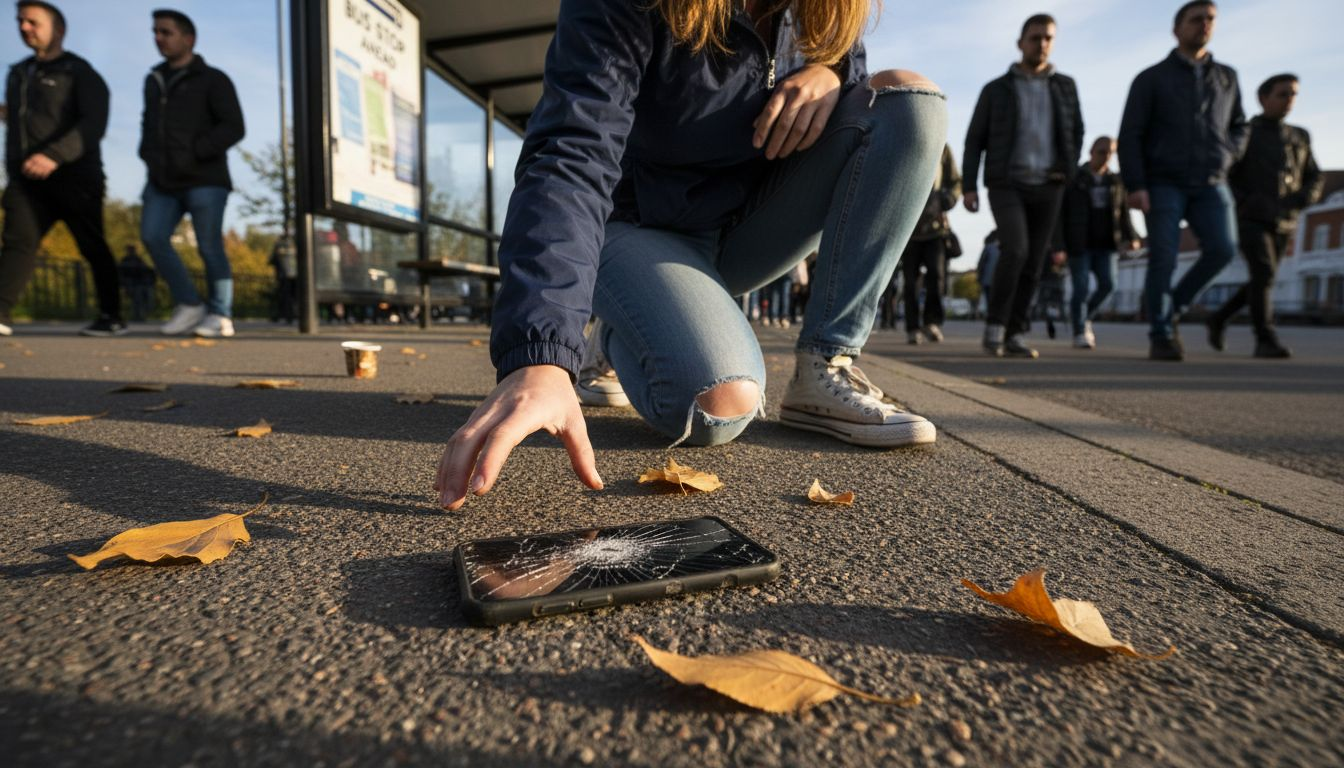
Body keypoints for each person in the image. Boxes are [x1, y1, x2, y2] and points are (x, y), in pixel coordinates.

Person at [435, 0, 947, 510]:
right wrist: (541, 357)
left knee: (906, 100)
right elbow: (572, 154)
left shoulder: (824, 11)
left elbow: (856, 102)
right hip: (636, 225)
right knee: (719, 405)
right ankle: (619, 329)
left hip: (745, 229)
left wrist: (830, 72)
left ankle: (825, 363)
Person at [1118, 0, 1248, 361]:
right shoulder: (1151, 79)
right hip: (1163, 180)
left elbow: (1240, 124)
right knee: (1163, 256)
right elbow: (1131, 134)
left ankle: (1172, 305)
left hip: (1212, 179)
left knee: (1223, 248)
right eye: (1196, 19)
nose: (1204, 24)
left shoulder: (1226, 77)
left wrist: (1229, 152)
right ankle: (1161, 333)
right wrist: (1136, 184)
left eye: (1210, 19)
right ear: (1177, 29)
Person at [962, 14, 1084, 359]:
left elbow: (1076, 131)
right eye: (1035, 37)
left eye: (1048, 38)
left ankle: (1015, 332)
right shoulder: (996, 89)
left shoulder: (1065, 86)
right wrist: (969, 185)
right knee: (1015, 249)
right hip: (1007, 182)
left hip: (1049, 184)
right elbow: (975, 139)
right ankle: (995, 326)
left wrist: (1067, 170)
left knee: (1034, 261)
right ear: (1020, 43)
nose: (1041, 43)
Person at [0, 0, 124, 337]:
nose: (24, 28)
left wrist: (54, 155)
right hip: (26, 178)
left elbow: (93, 123)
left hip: (75, 176)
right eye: (20, 21)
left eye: (33, 22)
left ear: (58, 30)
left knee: (91, 244)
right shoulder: (18, 73)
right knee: (18, 241)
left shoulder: (79, 72)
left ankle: (111, 315)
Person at [138, 9, 245, 338]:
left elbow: (234, 126)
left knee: (209, 245)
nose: (159, 38)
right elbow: (148, 124)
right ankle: (188, 304)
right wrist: (147, 154)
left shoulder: (213, 79)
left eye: (166, 32)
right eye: (155, 32)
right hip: (162, 180)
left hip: (205, 178)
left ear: (189, 38)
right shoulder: (154, 80)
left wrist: (197, 151)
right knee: (153, 236)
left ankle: (220, 314)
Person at [1206, 74, 1322, 359]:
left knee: (1263, 278)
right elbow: (1225, 173)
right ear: (1263, 98)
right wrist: (1246, 202)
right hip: (1250, 217)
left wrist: (1300, 199)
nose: (1289, 100)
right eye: (1283, 94)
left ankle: (1219, 317)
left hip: (1284, 219)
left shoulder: (1299, 136)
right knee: (1264, 272)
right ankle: (1265, 338)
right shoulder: (1245, 132)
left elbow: (1314, 176)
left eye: (1293, 94)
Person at [1058, 136, 1140, 349]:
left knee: (1108, 284)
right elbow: (1060, 214)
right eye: (1102, 152)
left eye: (1111, 153)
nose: (1106, 156)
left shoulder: (1115, 181)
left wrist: (1131, 236)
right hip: (1079, 243)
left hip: (1106, 244)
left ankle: (1085, 317)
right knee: (1081, 287)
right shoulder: (1075, 178)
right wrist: (1059, 245)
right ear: (1091, 152)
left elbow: (1123, 213)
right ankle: (1079, 331)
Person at [900, 144, 961, 344]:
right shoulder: (902, 138)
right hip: (907, 228)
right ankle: (912, 327)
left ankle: (932, 322)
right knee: (910, 282)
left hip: (936, 228)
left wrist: (948, 198)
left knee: (937, 276)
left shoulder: (942, 147)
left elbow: (955, 181)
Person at [117, 245, 157, 322]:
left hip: (142, 283)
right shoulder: (125, 260)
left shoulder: (138, 260)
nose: (131, 252)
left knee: (145, 301)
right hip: (134, 284)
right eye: (130, 250)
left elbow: (147, 271)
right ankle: (137, 316)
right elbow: (121, 274)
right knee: (137, 300)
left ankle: (140, 315)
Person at [975, 230, 1000, 319]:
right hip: (998, 279)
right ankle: (996, 315)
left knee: (989, 298)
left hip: (987, 280)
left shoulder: (988, 248)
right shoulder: (1004, 248)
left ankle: (992, 315)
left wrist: (979, 276)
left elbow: (981, 263)